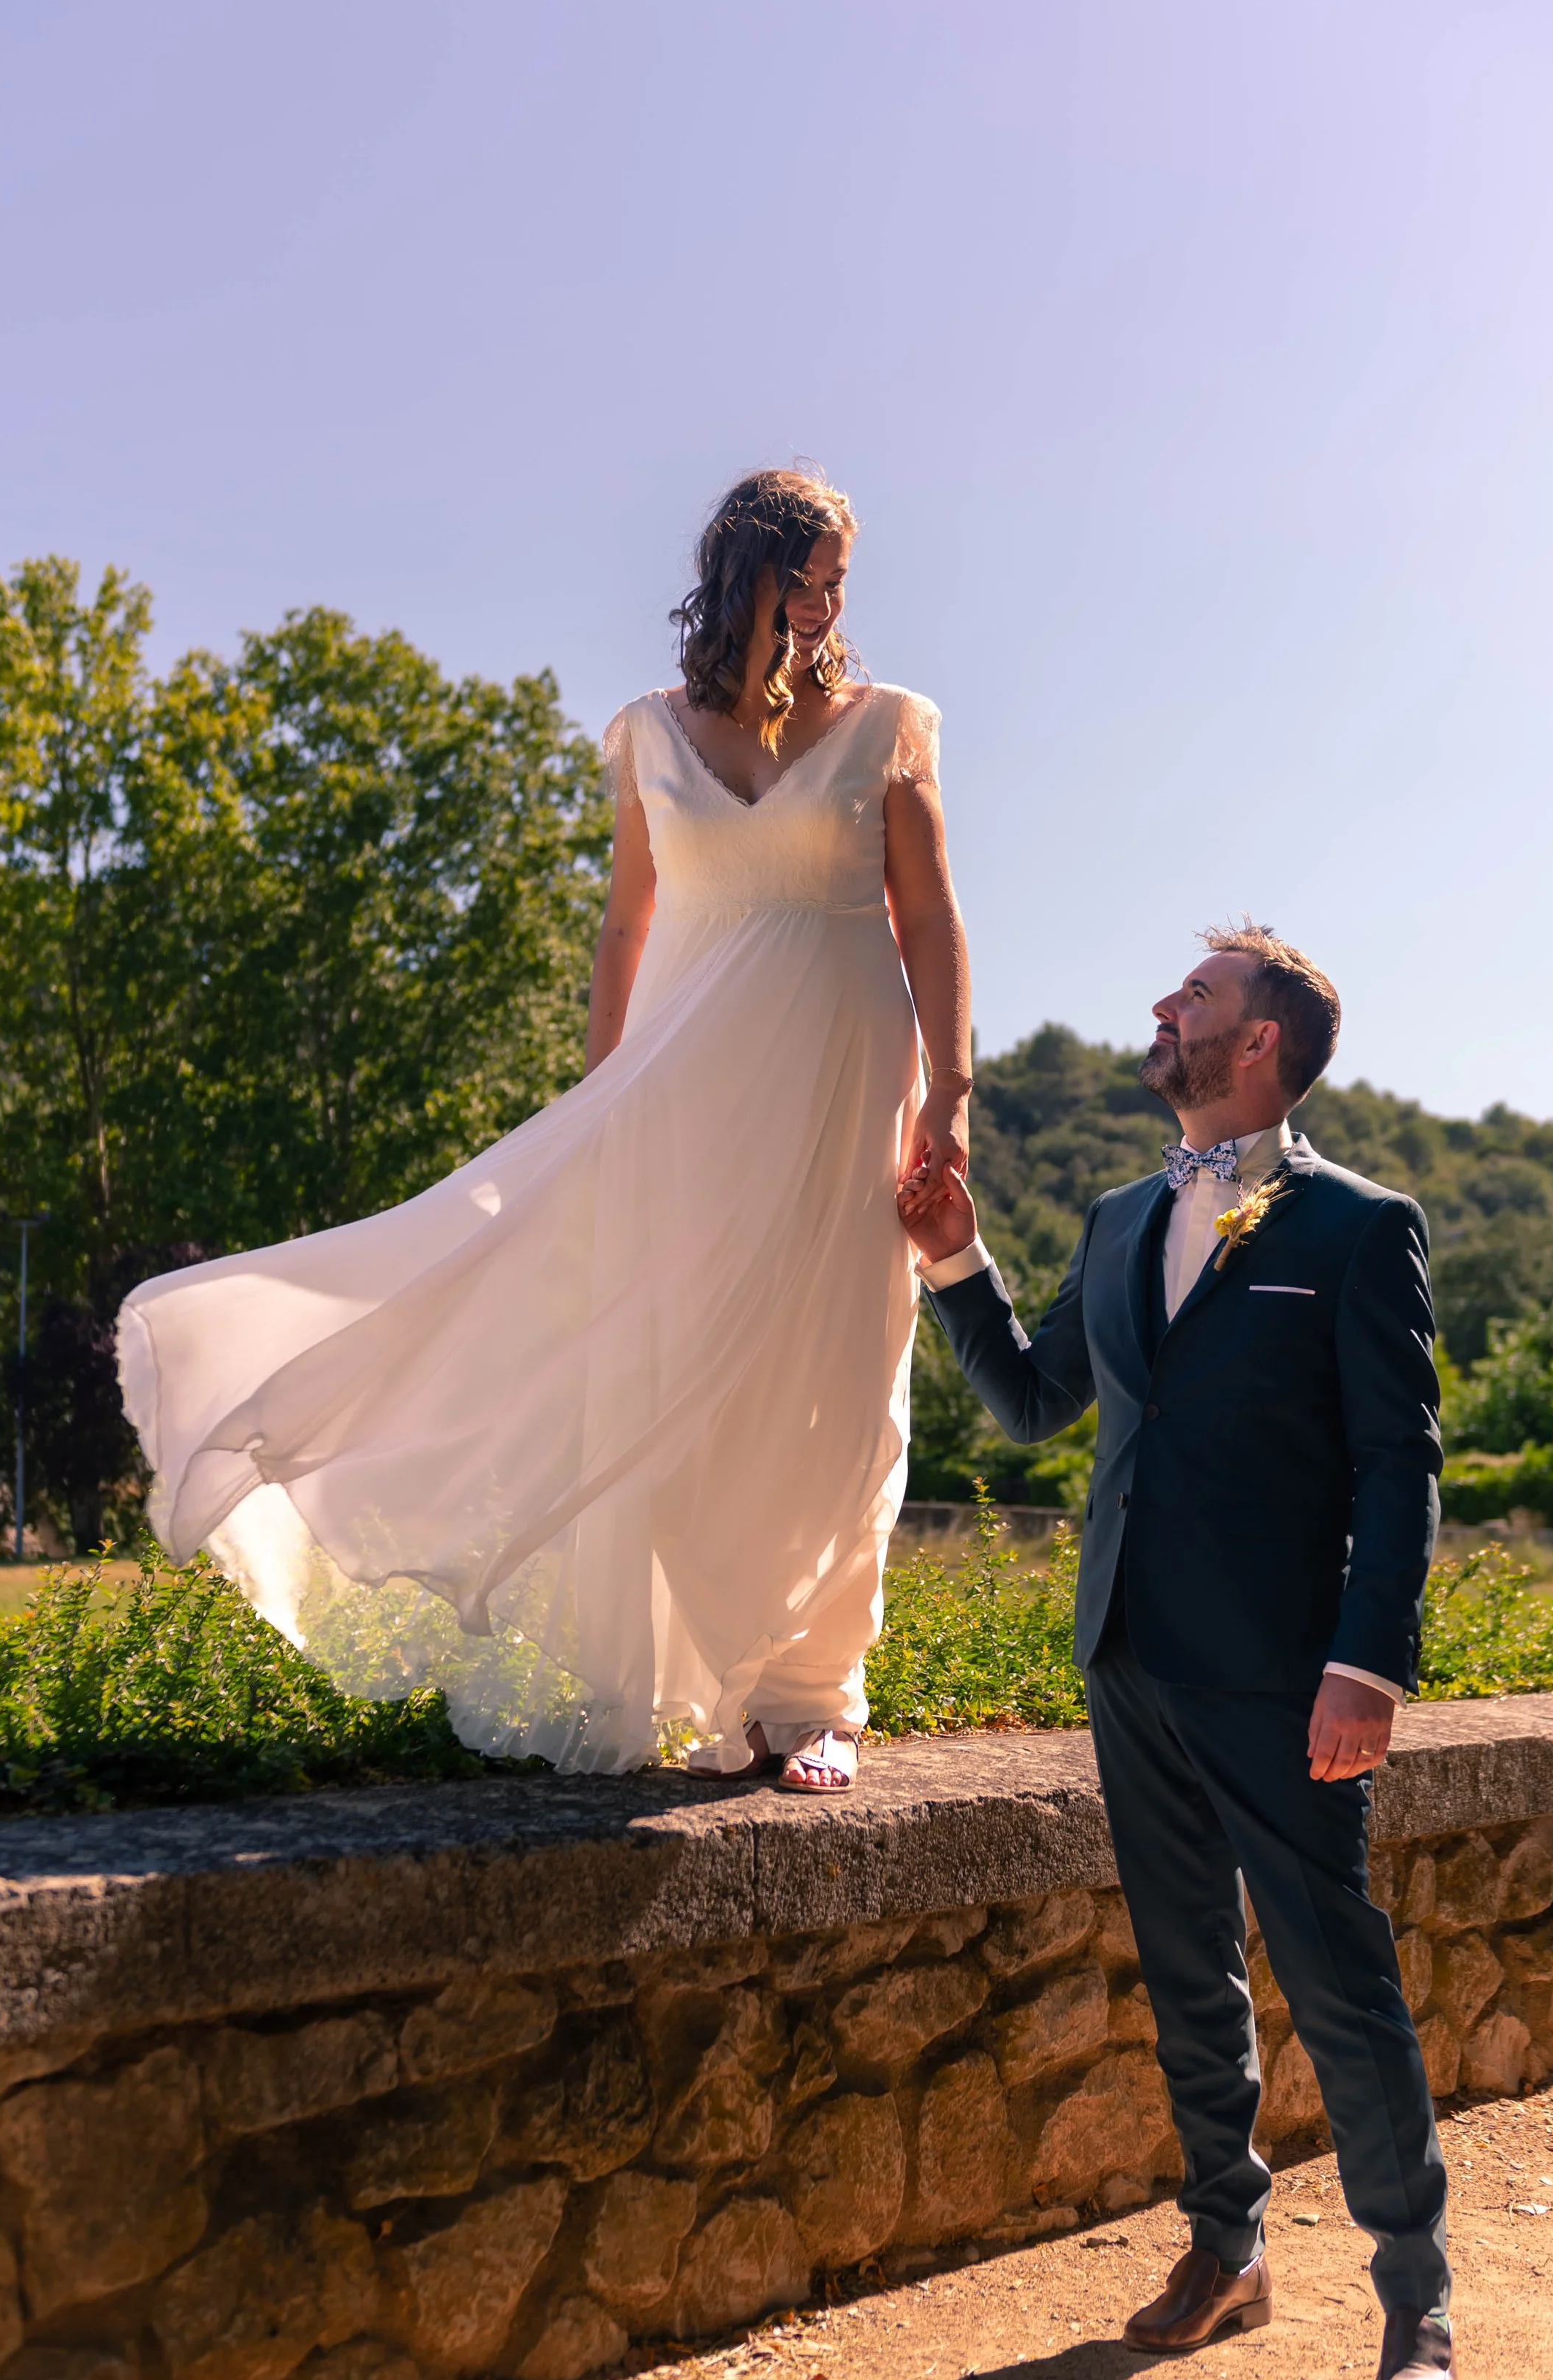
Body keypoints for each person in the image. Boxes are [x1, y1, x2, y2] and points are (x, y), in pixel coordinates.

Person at [118, 466, 972, 1789]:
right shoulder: (649, 736)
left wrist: (953, 1095)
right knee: (671, 1371)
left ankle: (815, 1694)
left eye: (841, 581)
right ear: (748, 577)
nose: (830, 604)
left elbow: (930, 919)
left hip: (847, 1086)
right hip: (682, 1103)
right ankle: (700, 1672)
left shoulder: (889, 729)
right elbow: (626, 925)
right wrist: (599, 1108)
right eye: (811, 578)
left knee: (841, 1378)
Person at [896, 924, 1458, 2380]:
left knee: (1337, 1980)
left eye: (1195, 994)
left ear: (1259, 1040)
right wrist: (953, 1258)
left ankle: (1416, 2301)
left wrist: (1367, 1664)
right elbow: (1033, 1402)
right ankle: (1227, 2246)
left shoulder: (1359, 1228)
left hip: (1283, 1674)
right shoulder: (1115, 1217)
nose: (1162, 1005)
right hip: (1127, 1653)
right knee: (1186, 1969)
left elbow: (1396, 1460)